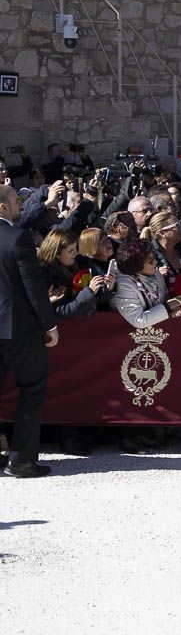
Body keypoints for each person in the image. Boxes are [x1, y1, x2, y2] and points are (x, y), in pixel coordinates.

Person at [0, 184, 59, 478]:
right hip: (17, 327)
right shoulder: (17, 237)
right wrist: (50, 325)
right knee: (33, 388)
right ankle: (21, 460)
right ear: (2, 207)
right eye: (15, 201)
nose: (20, 205)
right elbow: (33, 286)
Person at [112, 238, 181, 329]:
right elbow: (139, 320)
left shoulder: (155, 272)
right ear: (137, 266)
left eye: (154, 257)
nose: (156, 262)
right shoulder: (124, 286)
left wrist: (172, 309)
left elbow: (164, 297)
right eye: (150, 261)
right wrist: (168, 306)